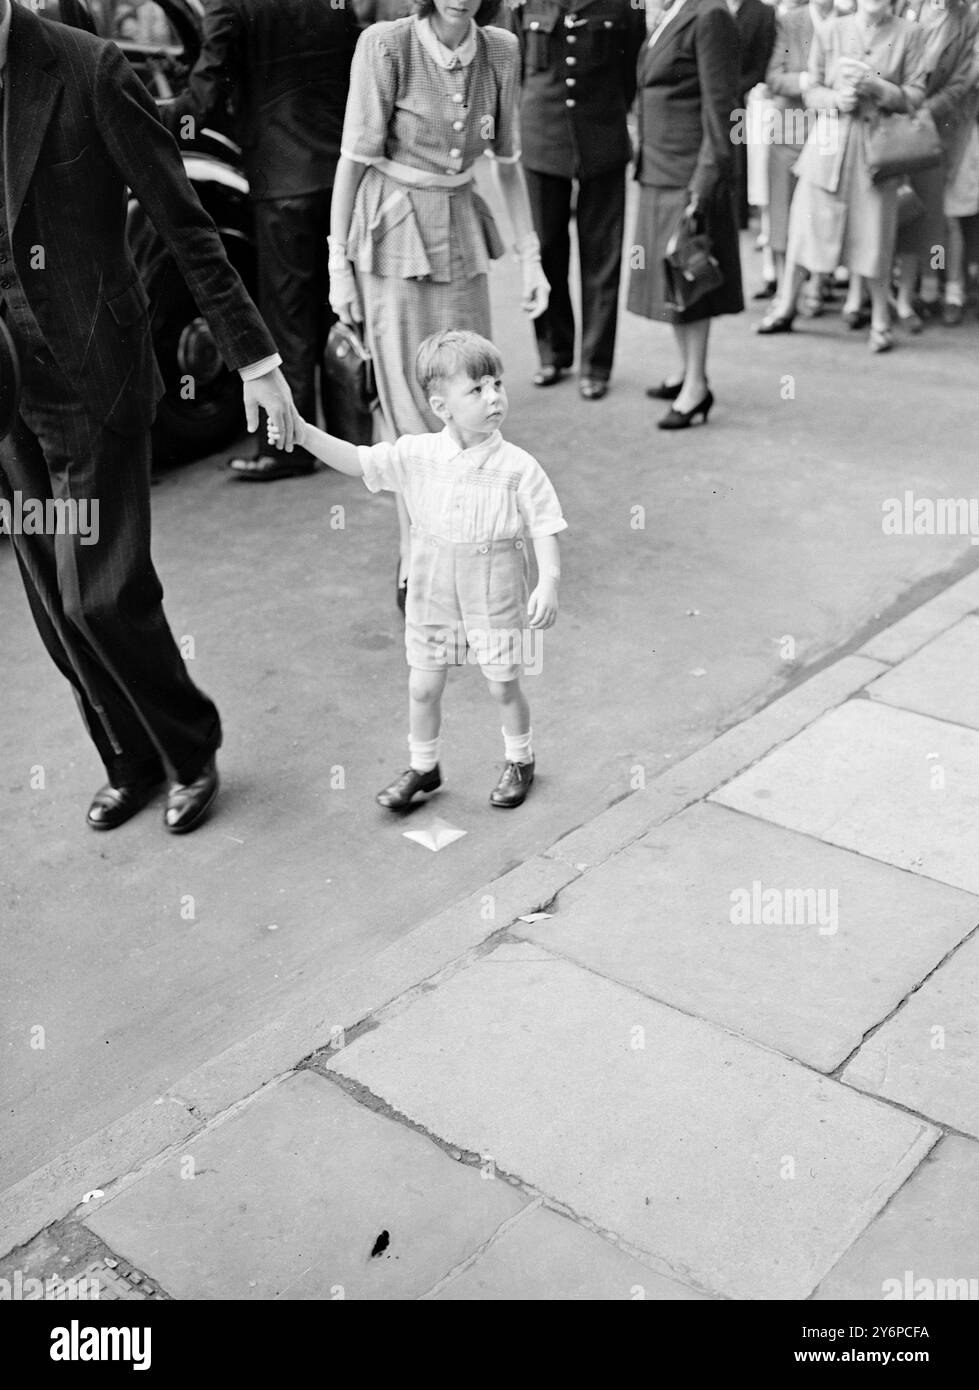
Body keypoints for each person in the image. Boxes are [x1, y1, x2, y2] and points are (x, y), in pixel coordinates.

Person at [0, 0, 298, 833]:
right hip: (6, 399)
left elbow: (185, 222)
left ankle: (190, 749)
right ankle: (128, 760)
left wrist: (255, 362)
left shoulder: (89, 68)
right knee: (54, 608)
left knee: (99, 593)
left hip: (92, 374)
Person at [269, 330, 566, 810]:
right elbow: (358, 460)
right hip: (432, 588)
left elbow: (545, 525)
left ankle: (520, 759)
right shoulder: (416, 455)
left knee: (502, 682)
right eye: (476, 389)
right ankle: (424, 768)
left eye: (497, 384)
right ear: (441, 406)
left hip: (495, 588)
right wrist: (302, 432)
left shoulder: (519, 467)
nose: (493, 397)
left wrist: (548, 581)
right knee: (423, 685)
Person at [328, 0, 549, 616]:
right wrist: (337, 264)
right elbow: (352, 163)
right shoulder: (386, 44)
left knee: (471, 397)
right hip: (394, 232)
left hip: (461, 228)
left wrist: (531, 258)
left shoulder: (501, 49)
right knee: (410, 410)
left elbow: (508, 164)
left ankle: (466, 544)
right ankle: (414, 554)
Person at [164, 0, 360, 481]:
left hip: (281, 179)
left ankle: (287, 448)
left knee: (286, 313)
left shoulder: (230, 4)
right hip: (341, 172)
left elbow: (203, 96)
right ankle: (351, 434)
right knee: (337, 306)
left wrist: (137, 113)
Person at [757, 0, 928, 351]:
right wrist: (836, 99)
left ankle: (881, 321)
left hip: (876, 154)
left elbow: (916, 95)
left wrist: (879, 88)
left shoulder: (909, 34)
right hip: (827, 149)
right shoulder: (832, 30)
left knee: (874, 235)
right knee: (805, 229)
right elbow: (812, 89)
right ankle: (786, 305)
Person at [510, 0, 646, 400]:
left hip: (601, 138)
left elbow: (629, 74)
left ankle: (596, 363)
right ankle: (553, 351)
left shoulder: (622, 6)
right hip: (542, 138)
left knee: (602, 255)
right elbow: (516, 69)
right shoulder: (525, 4)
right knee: (546, 249)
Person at [627, 0, 744, 428]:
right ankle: (686, 372)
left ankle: (696, 388)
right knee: (670, 280)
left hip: (687, 174)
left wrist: (705, 181)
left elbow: (723, 106)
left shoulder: (710, 14)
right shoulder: (676, 11)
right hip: (660, 170)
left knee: (688, 279)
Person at [893, 0, 978, 331]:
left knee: (950, 213)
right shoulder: (907, 6)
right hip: (904, 124)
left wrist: (926, 111)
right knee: (919, 209)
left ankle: (952, 290)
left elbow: (964, 79)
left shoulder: (965, 18)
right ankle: (926, 288)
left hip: (951, 126)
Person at [764, 0, 821, 306]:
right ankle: (787, 290)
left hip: (831, 133)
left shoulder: (853, 20)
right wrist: (808, 82)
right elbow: (774, 77)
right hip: (791, 130)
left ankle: (817, 284)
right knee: (783, 213)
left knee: (823, 214)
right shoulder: (790, 22)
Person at [730, 0, 778, 228]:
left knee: (741, 153)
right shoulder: (710, 7)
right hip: (716, 94)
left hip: (745, 95)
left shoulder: (763, 13)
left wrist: (738, 89)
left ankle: (740, 214)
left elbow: (763, 62)